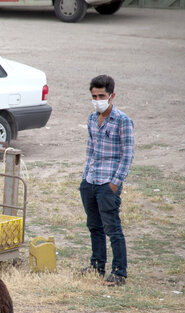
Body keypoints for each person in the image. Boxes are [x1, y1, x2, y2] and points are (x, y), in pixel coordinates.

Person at [79, 74, 134, 286]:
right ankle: (97, 266)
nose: (97, 99)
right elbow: (90, 149)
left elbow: (127, 155)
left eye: (101, 95)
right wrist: (85, 178)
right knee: (94, 226)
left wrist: (115, 183)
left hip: (107, 183)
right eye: (94, 95)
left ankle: (119, 272)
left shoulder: (123, 121)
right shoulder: (93, 119)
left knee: (112, 227)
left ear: (112, 95)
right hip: (90, 180)